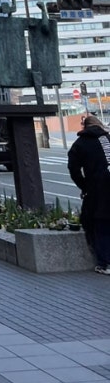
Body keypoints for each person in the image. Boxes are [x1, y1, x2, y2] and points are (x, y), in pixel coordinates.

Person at [68, 113, 110, 275]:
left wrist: (84, 186)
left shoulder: (80, 144)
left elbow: (73, 169)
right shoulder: (108, 139)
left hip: (97, 190)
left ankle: (105, 263)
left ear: (85, 127)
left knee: (100, 224)